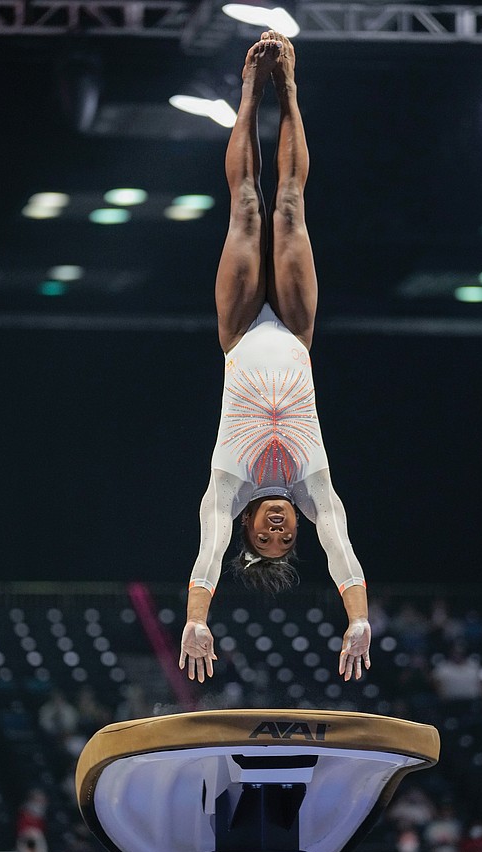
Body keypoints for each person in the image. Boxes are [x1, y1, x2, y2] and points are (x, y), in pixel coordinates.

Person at [179, 33, 370, 684]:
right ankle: (287, 89)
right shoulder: (311, 485)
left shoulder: (226, 489)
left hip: (238, 334)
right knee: (288, 206)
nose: (282, 532)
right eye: (287, 541)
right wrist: (359, 618)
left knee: (245, 205)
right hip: (293, 331)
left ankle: (246, 88)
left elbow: (207, 556)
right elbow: (339, 544)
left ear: (250, 530)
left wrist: (197, 618)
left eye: (266, 539)